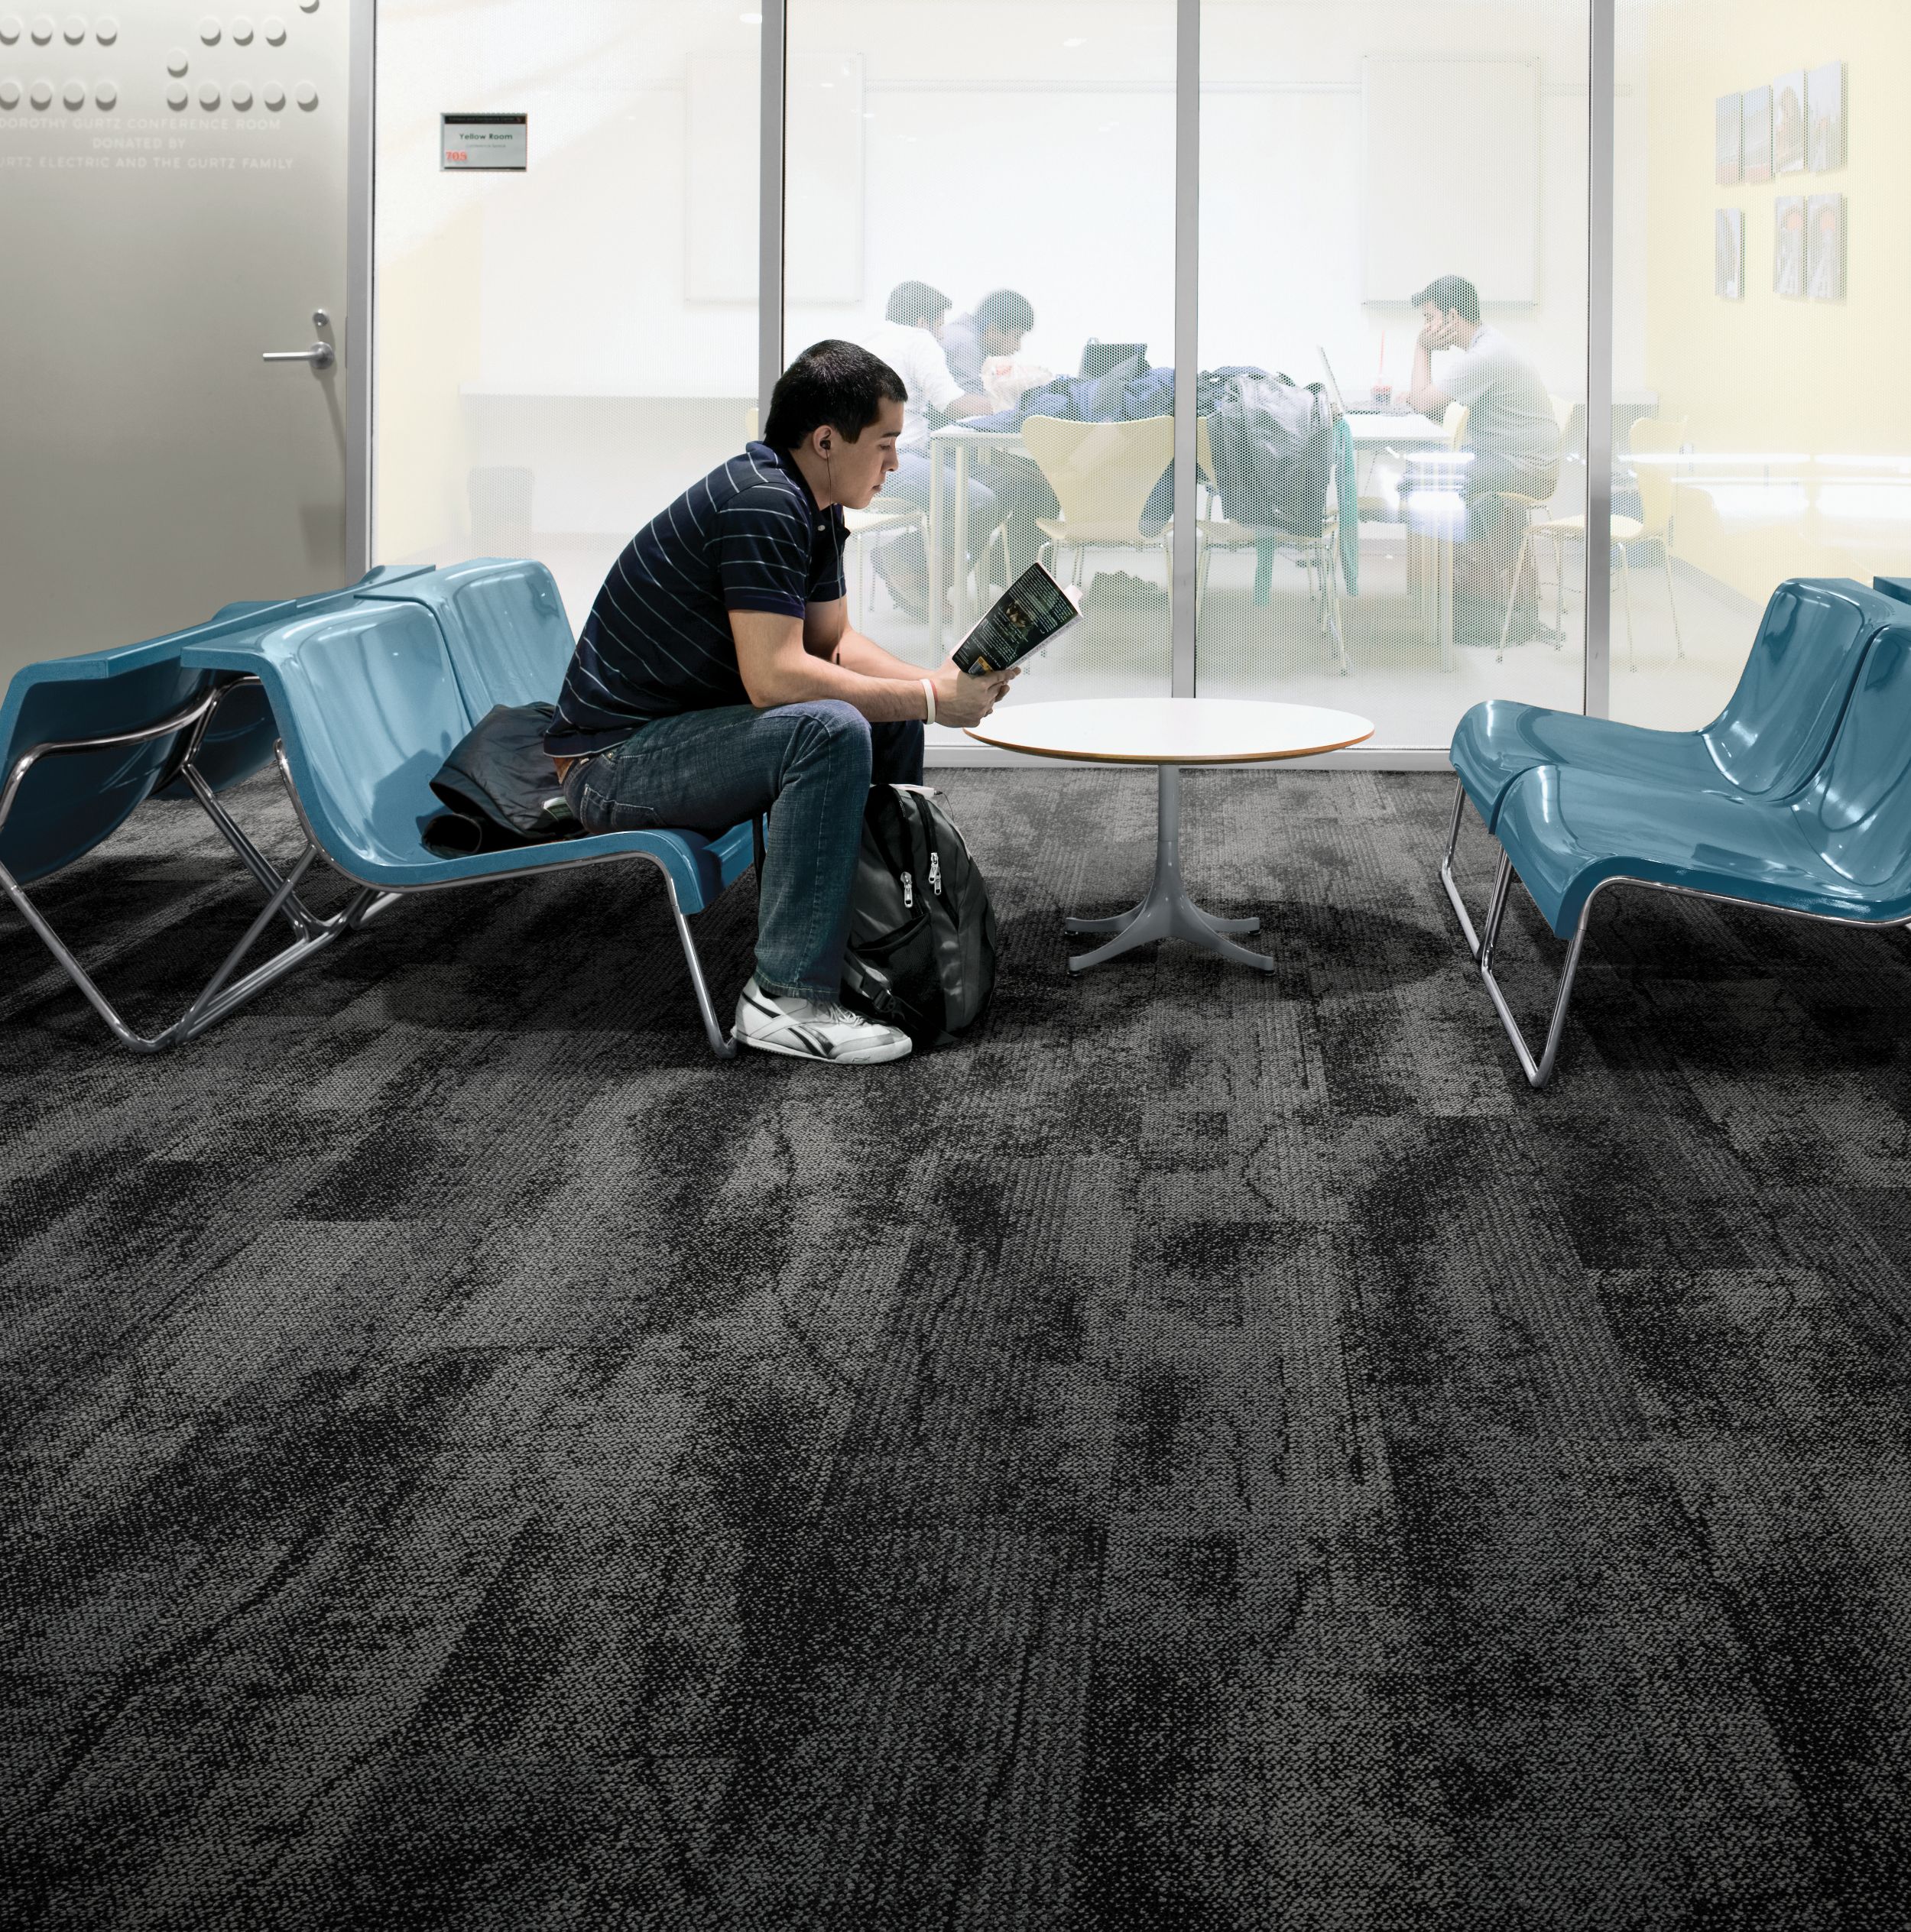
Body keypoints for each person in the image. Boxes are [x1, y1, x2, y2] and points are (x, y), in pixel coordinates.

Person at [543, 339, 1016, 1066]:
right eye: (886, 443)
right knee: (828, 729)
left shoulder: (814, 504)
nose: (896, 462)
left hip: (681, 737)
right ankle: (784, 997)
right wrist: (927, 697)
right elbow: (775, 679)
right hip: (613, 765)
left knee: (881, 710)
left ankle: (877, 936)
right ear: (826, 441)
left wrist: (934, 687)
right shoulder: (763, 502)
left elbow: (834, 643)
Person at [1404, 274, 1562, 645]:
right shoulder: (1486, 348)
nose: (1427, 328)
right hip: (1513, 460)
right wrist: (1416, 395)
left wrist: (1421, 349)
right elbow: (1427, 403)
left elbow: (1424, 402)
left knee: (1430, 481)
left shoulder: (1484, 356)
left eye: (1430, 319)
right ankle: (1452, 601)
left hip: (1525, 468)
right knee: (1426, 478)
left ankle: (1465, 608)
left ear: (1452, 317)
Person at [865, 280, 1009, 617]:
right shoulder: (918, 340)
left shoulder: (866, 340)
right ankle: (925, 582)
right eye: (939, 322)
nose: (943, 332)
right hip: (895, 463)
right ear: (922, 320)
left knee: (992, 482)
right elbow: (953, 404)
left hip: (864, 462)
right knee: (982, 500)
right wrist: (1006, 404)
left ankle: (904, 560)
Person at [942, 288, 1037, 395]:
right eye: (1017, 336)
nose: (1018, 347)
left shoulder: (961, 334)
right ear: (993, 330)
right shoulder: (966, 344)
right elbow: (965, 404)